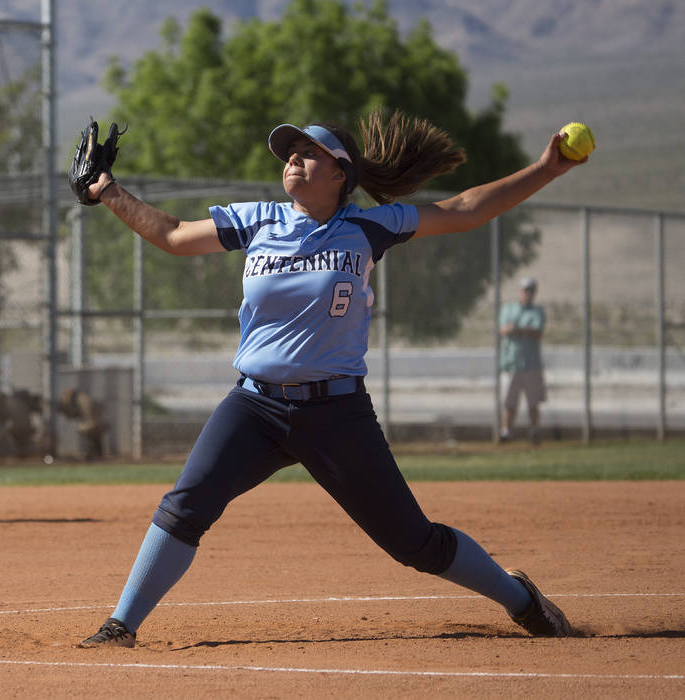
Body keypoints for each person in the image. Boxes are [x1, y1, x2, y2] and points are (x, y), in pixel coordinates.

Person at [74, 110, 586, 647]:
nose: (293, 157)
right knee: (185, 506)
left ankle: (522, 599)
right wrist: (107, 189)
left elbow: (463, 209)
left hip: (337, 414)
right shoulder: (259, 221)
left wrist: (546, 170)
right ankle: (120, 625)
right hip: (255, 407)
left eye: (308, 151)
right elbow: (175, 235)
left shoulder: (368, 226)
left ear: (341, 173)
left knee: (414, 544)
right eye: (289, 151)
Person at [499, 277, 547, 443]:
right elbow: (504, 329)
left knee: (533, 402)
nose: (527, 293)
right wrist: (521, 330)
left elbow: (537, 332)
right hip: (511, 363)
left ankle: (534, 431)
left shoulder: (537, 311)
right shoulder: (509, 309)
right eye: (525, 290)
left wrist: (518, 330)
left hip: (531, 364)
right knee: (509, 402)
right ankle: (506, 432)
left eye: (531, 290)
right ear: (520, 291)